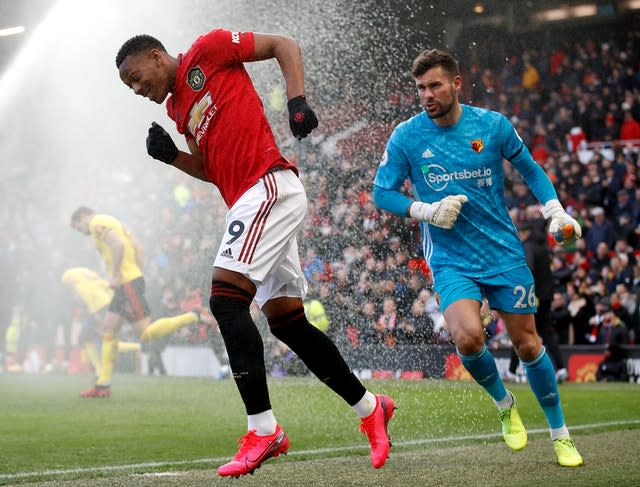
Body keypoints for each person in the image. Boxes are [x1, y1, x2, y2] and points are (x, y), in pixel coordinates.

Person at [115, 30, 394, 477]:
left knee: (225, 300)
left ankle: (264, 430)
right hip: (251, 199)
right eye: (128, 85)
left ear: (155, 55)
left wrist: (296, 101)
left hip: (267, 187)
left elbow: (283, 45)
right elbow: (209, 168)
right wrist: (172, 157)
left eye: (135, 76)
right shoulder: (177, 108)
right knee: (289, 323)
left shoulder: (209, 50)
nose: (135, 88)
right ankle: (370, 407)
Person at [373, 48, 583, 467]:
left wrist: (554, 211)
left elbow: (531, 169)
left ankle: (560, 433)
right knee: (468, 337)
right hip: (451, 258)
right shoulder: (407, 136)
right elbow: (383, 192)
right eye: (420, 88)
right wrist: (424, 210)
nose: (426, 95)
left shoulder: (491, 125)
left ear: (456, 83)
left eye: (434, 85)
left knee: (527, 344)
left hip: (502, 252)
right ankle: (505, 404)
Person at [70, 208, 201, 397]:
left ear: (83, 217)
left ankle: (194, 316)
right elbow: (138, 247)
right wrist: (137, 270)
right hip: (128, 282)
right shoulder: (114, 222)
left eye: (78, 227)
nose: (82, 231)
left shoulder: (97, 223)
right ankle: (103, 385)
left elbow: (118, 246)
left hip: (126, 283)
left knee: (145, 334)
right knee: (108, 329)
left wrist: (116, 275)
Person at [508, 221, 567, 383]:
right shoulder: (543, 248)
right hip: (546, 297)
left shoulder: (528, 247)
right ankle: (561, 368)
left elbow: (528, 267)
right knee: (545, 333)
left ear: (525, 233)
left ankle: (513, 371)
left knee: (520, 331)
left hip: (534, 297)